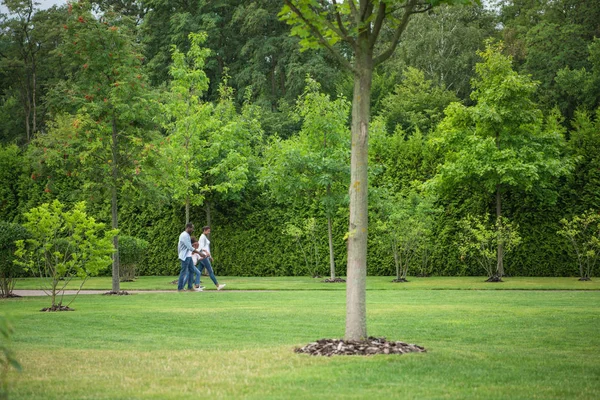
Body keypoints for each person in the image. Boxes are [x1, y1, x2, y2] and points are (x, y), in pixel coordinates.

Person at [177, 223, 204, 292]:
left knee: (191, 270)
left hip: (188, 256)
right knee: (183, 272)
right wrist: (199, 253)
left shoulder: (187, 235)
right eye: (192, 228)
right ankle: (180, 288)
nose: (193, 230)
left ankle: (190, 287)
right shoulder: (184, 235)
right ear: (188, 228)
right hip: (185, 257)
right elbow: (189, 247)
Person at [198, 226, 226, 290]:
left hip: (204, 256)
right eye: (208, 230)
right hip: (204, 256)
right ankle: (218, 285)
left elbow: (205, 247)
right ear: (204, 230)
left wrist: (210, 256)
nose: (209, 232)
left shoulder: (203, 237)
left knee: (198, 272)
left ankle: (196, 285)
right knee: (210, 271)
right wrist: (207, 254)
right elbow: (201, 248)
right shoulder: (202, 237)